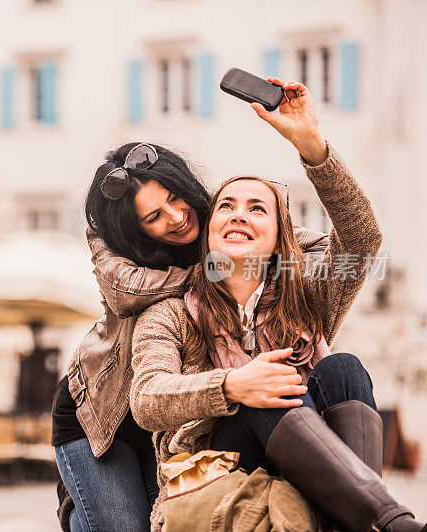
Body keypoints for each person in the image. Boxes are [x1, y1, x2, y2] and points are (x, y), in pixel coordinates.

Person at [130, 80, 425, 531]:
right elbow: (146, 399)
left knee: (342, 368)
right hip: (220, 470)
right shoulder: (170, 311)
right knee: (266, 384)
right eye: (226, 206)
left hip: (313, 456)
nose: (239, 214)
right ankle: (390, 521)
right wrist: (232, 385)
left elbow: (362, 240)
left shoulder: (307, 291)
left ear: (278, 239)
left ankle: (362, 520)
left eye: (257, 208)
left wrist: (310, 144)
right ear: (209, 232)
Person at [51, 123, 328, 529]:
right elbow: (123, 292)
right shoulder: (113, 241)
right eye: (154, 216)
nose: (178, 217)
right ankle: (82, 510)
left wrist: (245, 260)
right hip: (101, 414)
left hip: (172, 411)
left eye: (175, 198)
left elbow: (317, 249)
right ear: (135, 228)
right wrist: (217, 271)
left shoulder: (220, 216)